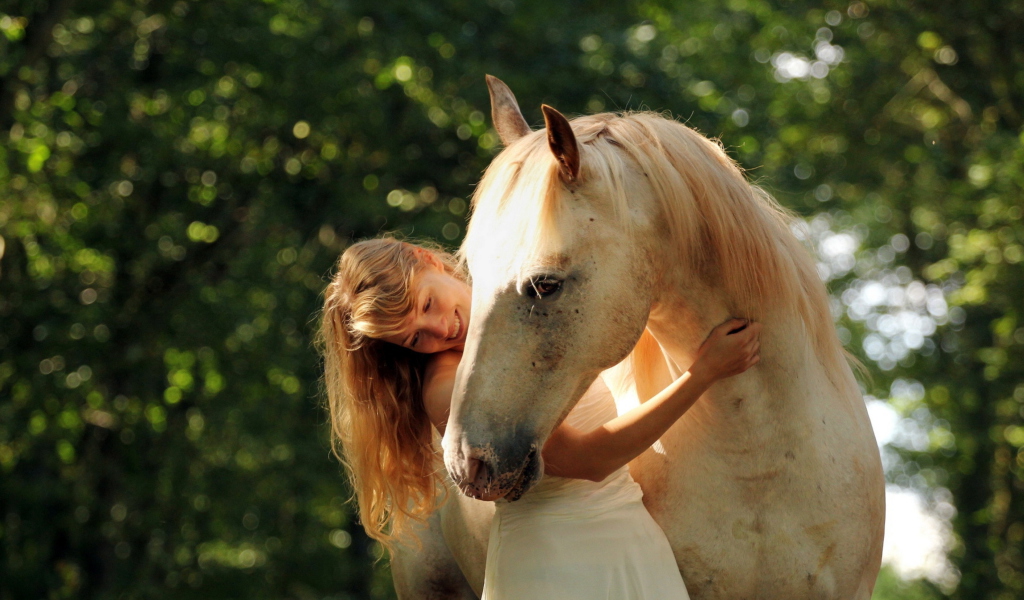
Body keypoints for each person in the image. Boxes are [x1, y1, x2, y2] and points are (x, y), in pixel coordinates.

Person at [319, 236, 761, 599]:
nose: (440, 330)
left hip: (627, 537)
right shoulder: (449, 384)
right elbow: (587, 461)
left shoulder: (537, 307)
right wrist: (703, 373)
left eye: (428, 303)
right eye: (416, 337)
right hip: (559, 561)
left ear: (427, 259)